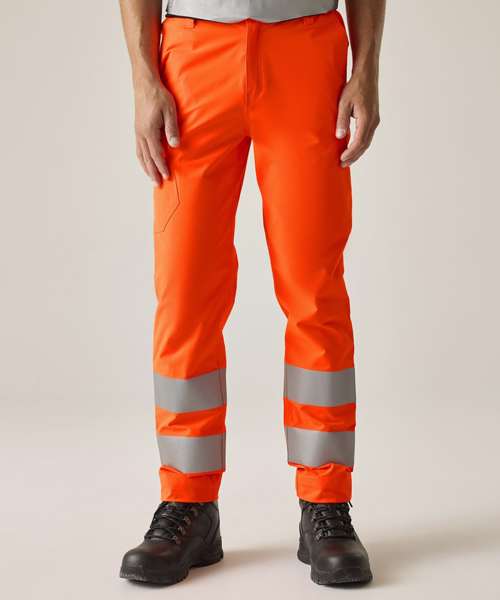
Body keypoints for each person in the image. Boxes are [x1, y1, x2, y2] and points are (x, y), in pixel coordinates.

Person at [118, 0, 385, 587]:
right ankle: (188, 502)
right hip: (192, 54)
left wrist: (365, 69)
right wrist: (143, 78)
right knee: (186, 294)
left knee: (314, 292)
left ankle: (325, 503)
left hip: (307, 50)